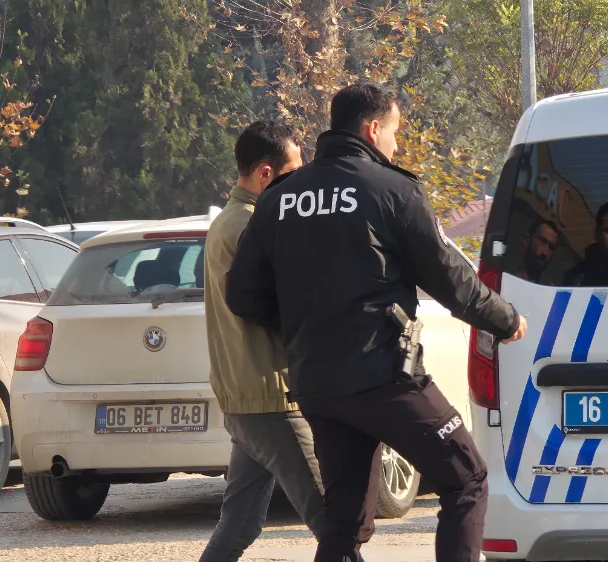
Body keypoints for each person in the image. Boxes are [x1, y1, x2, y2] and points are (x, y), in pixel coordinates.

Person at [224, 83, 528, 562]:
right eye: (394, 132)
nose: (396, 145)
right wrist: (505, 319)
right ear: (371, 129)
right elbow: (451, 280)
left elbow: (242, 297)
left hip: (317, 384)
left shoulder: (279, 199)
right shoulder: (393, 190)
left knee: (343, 524)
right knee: (466, 477)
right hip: (383, 376)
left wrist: (308, 323)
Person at [200, 120, 334, 562]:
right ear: (265, 174)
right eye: (293, 172)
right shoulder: (252, 227)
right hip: (272, 400)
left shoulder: (229, 222)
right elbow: (289, 304)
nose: (300, 183)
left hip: (245, 399)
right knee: (337, 523)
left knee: (240, 525)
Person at [516, 219, 559, 283]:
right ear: (527, 240)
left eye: (551, 248)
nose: (545, 252)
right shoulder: (505, 280)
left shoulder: (548, 289)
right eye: (542, 241)